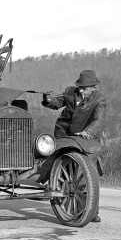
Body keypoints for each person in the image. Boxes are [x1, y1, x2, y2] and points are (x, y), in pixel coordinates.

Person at [42, 70, 107, 223]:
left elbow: (99, 121)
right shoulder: (70, 92)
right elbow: (57, 103)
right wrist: (48, 99)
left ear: (93, 87)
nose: (81, 90)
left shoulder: (100, 100)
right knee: (63, 168)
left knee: (88, 172)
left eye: (85, 88)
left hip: (86, 139)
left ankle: (91, 212)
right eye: (80, 87)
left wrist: (88, 131)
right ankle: (56, 192)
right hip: (64, 133)